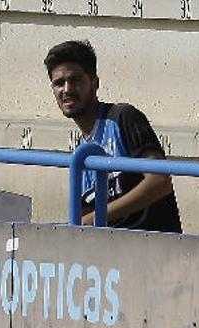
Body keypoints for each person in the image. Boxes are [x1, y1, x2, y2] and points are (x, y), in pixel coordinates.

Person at [44, 40, 182, 233]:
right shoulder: (80, 151)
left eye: (75, 80)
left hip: (151, 248)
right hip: (107, 252)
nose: (66, 89)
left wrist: (96, 217)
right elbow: (84, 216)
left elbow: (159, 181)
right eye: (59, 83)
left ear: (95, 83)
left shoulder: (123, 117)